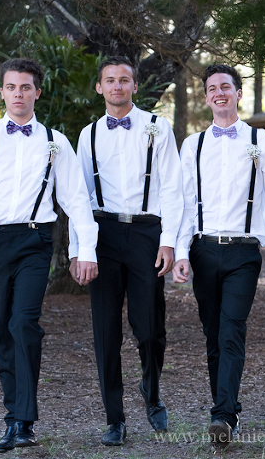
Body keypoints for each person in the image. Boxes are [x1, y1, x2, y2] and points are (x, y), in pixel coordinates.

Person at [0, 58, 99, 453]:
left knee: (24, 323)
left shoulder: (55, 141)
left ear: (37, 93)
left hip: (35, 240)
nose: (18, 94)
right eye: (11, 87)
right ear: (2, 92)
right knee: (2, 329)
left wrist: (86, 251)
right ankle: (14, 416)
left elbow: (77, 200)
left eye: (25, 87)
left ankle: (23, 422)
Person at [172, 64, 265, 443]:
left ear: (238, 93)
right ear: (206, 97)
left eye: (226, 86)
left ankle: (222, 415)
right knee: (213, 334)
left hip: (244, 253)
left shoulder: (261, 141)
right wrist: (180, 251)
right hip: (203, 250)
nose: (220, 93)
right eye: (212, 88)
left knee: (231, 331)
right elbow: (183, 202)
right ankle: (227, 409)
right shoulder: (192, 145)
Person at [68, 56, 183, 446]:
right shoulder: (88, 135)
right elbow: (78, 197)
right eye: (110, 80)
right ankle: (114, 418)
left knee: (149, 328)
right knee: (106, 331)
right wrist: (78, 250)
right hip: (101, 234)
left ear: (135, 86)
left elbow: (173, 187)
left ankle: (151, 391)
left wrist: (169, 240)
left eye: (124, 80)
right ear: (99, 87)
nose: (117, 86)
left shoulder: (157, 127)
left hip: (147, 233)